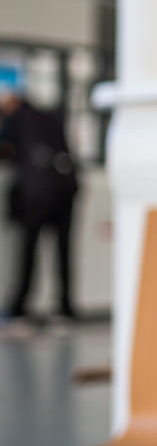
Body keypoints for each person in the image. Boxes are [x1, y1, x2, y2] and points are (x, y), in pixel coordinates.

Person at [0, 89, 79, 321]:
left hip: (37, 192)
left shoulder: (16, 119)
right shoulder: (51, 116)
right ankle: (66, 307)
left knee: (29, 250)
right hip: (66, 188)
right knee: (64, 251)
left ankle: (19, 306)